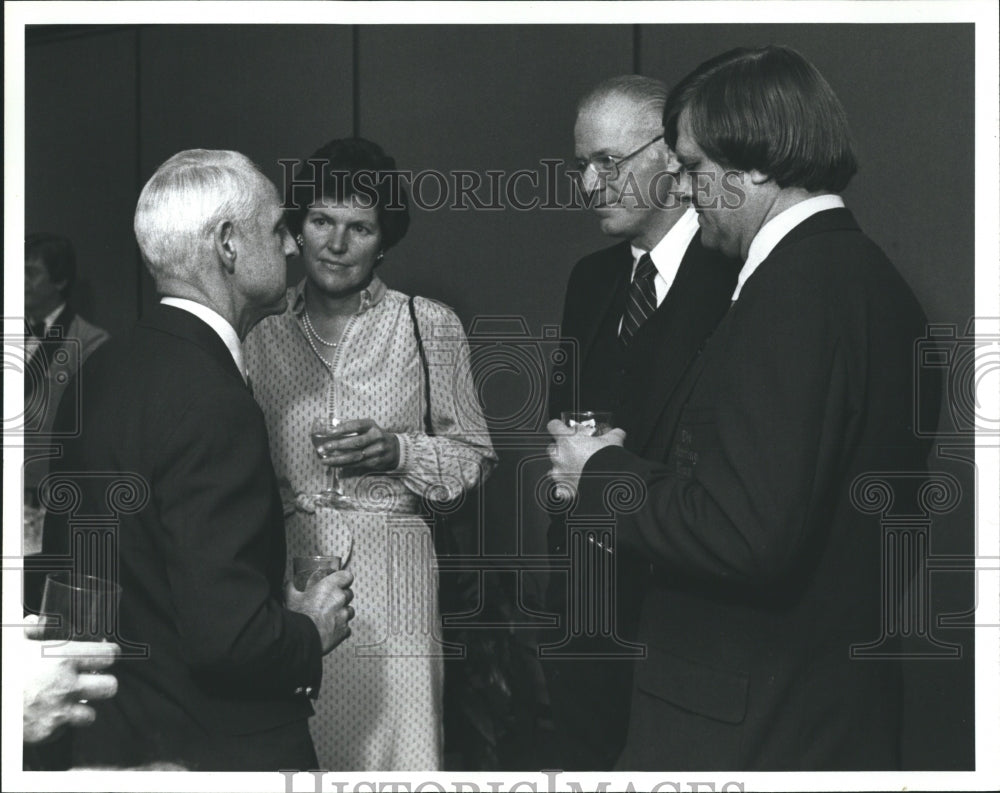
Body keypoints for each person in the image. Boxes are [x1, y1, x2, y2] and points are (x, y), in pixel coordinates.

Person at [547, 45, 936, 770]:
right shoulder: (871, 282)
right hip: (818, 711)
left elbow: (746, 534)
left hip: (748, 722)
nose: (686, 191)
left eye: (693, 168)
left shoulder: (792, 292)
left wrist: (601, 472)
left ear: (755, 164)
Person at [35, 149, 356, 771]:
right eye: (278, 229)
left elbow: (87, 585)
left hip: (110, 737)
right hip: (211, 753)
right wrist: (310, 627)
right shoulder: (213, 398)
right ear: (229, 245)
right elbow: (227, 641)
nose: (293, 247)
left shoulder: (100, 368)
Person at [244, 137, 497, 771]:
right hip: (290, 581)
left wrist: (397, 451)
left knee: (399, 757)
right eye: (321, 220)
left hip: (397, 582)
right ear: (296, 230)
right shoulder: (259, 335)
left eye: (359, 227)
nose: (336, 242)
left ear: (383, 242)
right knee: (299, 755)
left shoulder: (427, 324)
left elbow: (474, 458)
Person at [540, 75, 739, 770]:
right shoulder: (591, 279)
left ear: (674, 156)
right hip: (589, 612)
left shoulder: (738, 274)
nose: (590, 185)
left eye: (608, 162)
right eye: (580, 167)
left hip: (685, 613)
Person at [23, 233, 110, 552]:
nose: (21, 281)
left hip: (48, 500)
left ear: (59, 281)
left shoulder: (90, 342)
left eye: (31, 273)